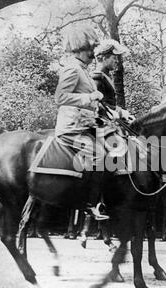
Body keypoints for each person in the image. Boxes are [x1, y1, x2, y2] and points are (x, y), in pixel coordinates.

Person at [55, 24, 111, 220]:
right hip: (71, 127)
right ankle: (88, 203)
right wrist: (89, 98)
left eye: (93, 49)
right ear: (79, 48)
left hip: (84, 125)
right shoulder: (72, 69)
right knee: (99, 154)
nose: (92, 53)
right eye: (89, 49)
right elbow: (60, 98)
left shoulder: (83, 70)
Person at [92, 39, 134, 122]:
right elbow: (98, 104)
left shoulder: (105, 76)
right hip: (102, 123)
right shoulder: (97, 77)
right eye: (114, 58)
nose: (117, 61)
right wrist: (119, 111)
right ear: (104, 59)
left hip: (111, 118)